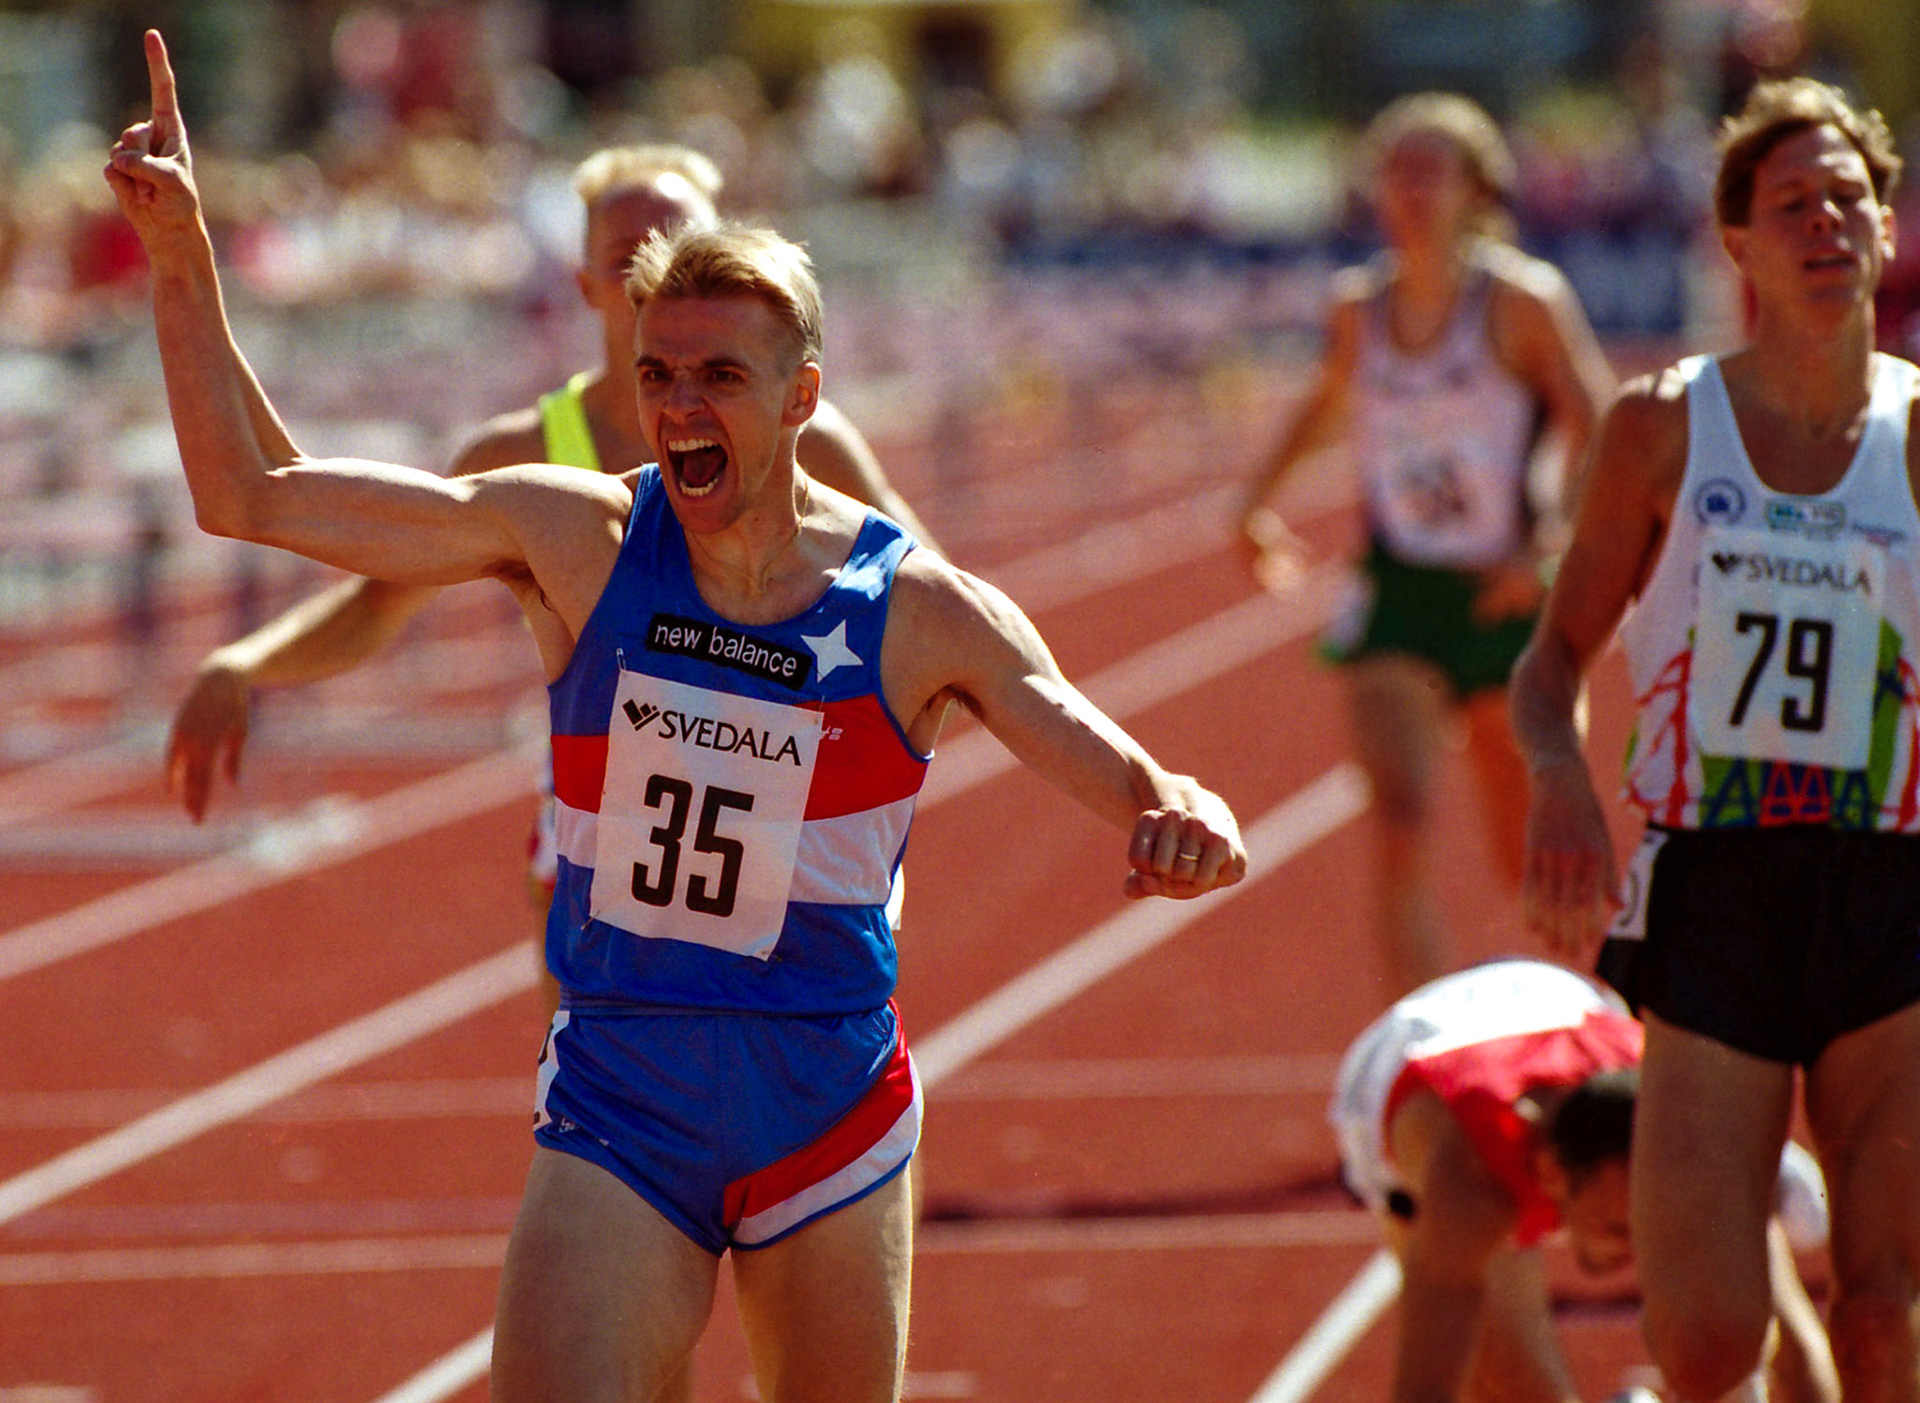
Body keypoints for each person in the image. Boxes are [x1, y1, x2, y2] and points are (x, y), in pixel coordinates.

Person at [107, 31, 1246, 1403]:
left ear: (803, 399)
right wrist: (182, 261)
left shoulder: (922, 606)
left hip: (826, 1105)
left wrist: (1189, 815)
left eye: (719, 377)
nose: (676, 407)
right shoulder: (573, 535)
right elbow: (258, 492)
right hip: (621, 1098)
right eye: (659, 374)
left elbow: (1125, 764)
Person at [164, 138, 937, 924]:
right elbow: (376, 603)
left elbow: (924, 586)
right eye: (628, 253)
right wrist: (247, 662)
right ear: (585, 284)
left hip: (780, 800)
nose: (658, 267)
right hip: (597, 812)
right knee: (586, 1033)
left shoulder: (808, 435)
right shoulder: (522, 454)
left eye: (682, 244)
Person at [1511, 77, 1920, 1402]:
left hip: (1894, 892)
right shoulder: (1663, 428)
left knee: (1884, 1319)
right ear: (1735, 242)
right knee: (1708, 1337)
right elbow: (1552, 658)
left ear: (1887, 225)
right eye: (1791, 203)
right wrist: (1562, 771)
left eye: (1849, 198)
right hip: (1714, 893)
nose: (1826, 223)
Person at [1237, 93, 1614, 997]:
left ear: (1477, 189)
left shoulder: (1522, 302)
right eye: (1392, 169)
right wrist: (1253, 502)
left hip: (1504, 591)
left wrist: (1548, 543)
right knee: (1400, 819)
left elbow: (1600, 425)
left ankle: (1595, 1029)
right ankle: (1421, 1062)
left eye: (1428, 169)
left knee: (1532, 836)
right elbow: (1327, 402)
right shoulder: (1356, 308)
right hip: (1399, 587)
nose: (1406, 189)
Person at [1332, 958, 1837, 1403]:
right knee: (1508, 1384)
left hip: (1567, 1008)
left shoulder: (1696, 1150)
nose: (1640, 1261)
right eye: (1618, 1229)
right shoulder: (1470, 1192)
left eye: (1650, 1230)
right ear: (1552, 1176)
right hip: (1406, 1052)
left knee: (1764, 1315)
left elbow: (1796, 1352)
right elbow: (1425, 1392)